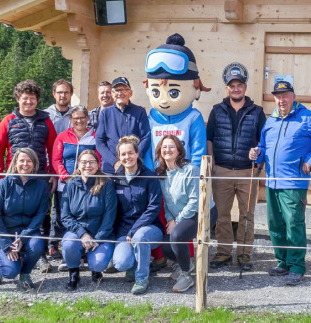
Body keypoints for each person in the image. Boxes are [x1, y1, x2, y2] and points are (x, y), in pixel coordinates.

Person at [249, 80, 311, 286]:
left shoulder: (307, 118)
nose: (281, 100)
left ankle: (297, 266)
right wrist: (257, 153)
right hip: (272, 182)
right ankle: (283, 262)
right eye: (278, 96)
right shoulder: (270, 120)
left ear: (293, 96)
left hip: (293, 181)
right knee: (275, 225)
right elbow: (263, 146)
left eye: (285, 95)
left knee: (293, 224)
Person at [207, 65, 266, 271]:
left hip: (248, 171)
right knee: (222, 214)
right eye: (232, 86)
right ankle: (223, 252)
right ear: (227, 89)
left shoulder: (257, 112)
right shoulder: (216, 110)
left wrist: (258, 164)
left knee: (247, 215)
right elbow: (210, 138)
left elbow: (263, 141)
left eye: (239, 85)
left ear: (245, 87)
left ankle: (244, 254)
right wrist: (211, 162)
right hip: (222, 170)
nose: (236, 89)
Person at [155, 135, 217, 293]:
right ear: (160, 151)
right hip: (178, 217)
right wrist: (170, 219)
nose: (167, 150)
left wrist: (178, 220)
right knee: (166, 246)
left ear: (179, 150)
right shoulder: (161, 174)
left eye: (171, 147)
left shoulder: (190, 170)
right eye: (164, 147)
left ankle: (186, 276)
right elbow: (166, 202)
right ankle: (187, 264)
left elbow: (195, 202)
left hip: (202, 212)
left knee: (177, 236)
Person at [144, 34, 211, 170]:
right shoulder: (150, 119)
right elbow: (146, 150)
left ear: (196, 89)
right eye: (156, 92)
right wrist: (150, 173)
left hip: (184, 180)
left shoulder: (193, 118)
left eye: (173, 93)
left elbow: (199, 150)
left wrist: (193, 175)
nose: (163, 100)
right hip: (158, 178)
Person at [0, 147, 50, 291]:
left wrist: (23, 238)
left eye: (29, 161)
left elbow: (40, 215)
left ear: (34, 164)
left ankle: (25, 273)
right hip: (4, 233)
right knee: (10, 272)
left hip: (28, 231)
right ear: (15, 163)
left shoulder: (41, 186)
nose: (25, 164)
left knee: (36, 246)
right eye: (21, 160)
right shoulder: (4, 184)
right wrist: (6, 245)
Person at [111, 135, 164, 295]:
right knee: (120, 263)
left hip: (150, 229)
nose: (127, 157)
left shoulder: (149, 176)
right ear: (119, 158)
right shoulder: (116, 180)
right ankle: (133, 264)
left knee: (140, 237)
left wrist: (134, 230)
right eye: (123, 154)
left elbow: (154, 207)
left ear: (137, 154)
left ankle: (142, 278)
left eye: (130, 153)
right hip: (124, 231)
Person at [60, 149, 117, 290]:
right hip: (77, 232)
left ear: (98, 165)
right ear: (78, 165)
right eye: (84, 162)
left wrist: (97, 238)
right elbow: (65, 216)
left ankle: (96, 270)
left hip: (101, 233)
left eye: (91, 162)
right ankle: (73, 273)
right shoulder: (70, 186)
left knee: (98, 262)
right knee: (68, 245)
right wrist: (82, 234)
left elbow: (110, 216)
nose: (88, 166)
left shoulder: (107, 185)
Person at [50, 105, 99, 262]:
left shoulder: (94, 136)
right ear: (71, 120)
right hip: (65, 185)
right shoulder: (62, 136)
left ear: (87, 119)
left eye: (82, 118)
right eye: (75, 118)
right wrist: (65, 177)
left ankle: (85, 250)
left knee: (84, 216)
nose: (79, 121)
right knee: (63, 217)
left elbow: (98, 160)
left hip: (87, 185)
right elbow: (56, 159)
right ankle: (68, 254)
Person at [95, 77, 151, 175]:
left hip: (135, 167)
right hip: (110, 169)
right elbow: (99, 141)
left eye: (124, 89)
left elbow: (146, 137)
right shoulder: (105, 113)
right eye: (117, 90)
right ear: (112, 94)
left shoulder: (140, 112)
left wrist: (133, 158)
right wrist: (114, 162)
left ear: (130, 93)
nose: (120, 93)